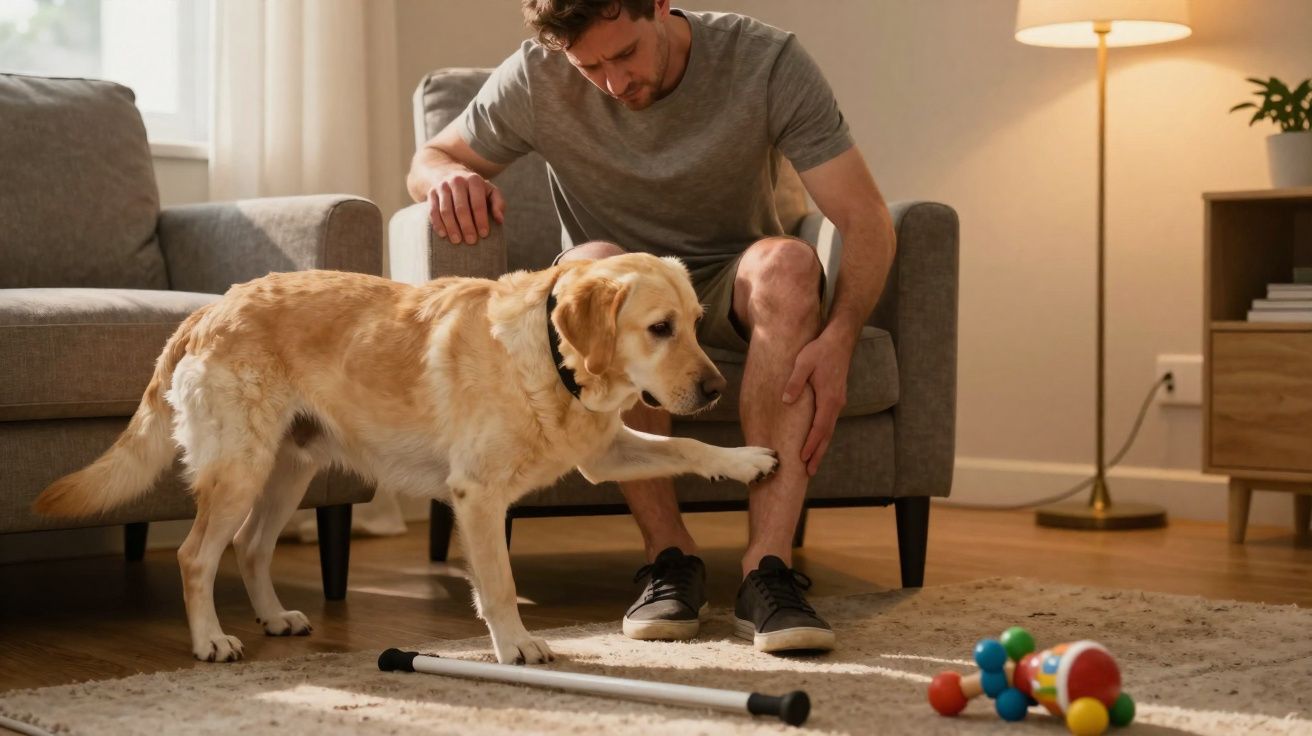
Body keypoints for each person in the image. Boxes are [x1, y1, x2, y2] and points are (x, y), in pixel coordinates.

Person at [405, 0, 895, 654]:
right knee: (593, 269)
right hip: (614, 283)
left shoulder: (766, 61)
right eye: (590, 67)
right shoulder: (536, 74)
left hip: (730, 277)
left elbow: (865, 218)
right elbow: (430, 157)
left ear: (659, 7)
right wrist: (447, 179)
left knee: (788, 265)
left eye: (625, 54)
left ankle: (768, 571)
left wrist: (838, 339)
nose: (612, 82)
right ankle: (668, 559)